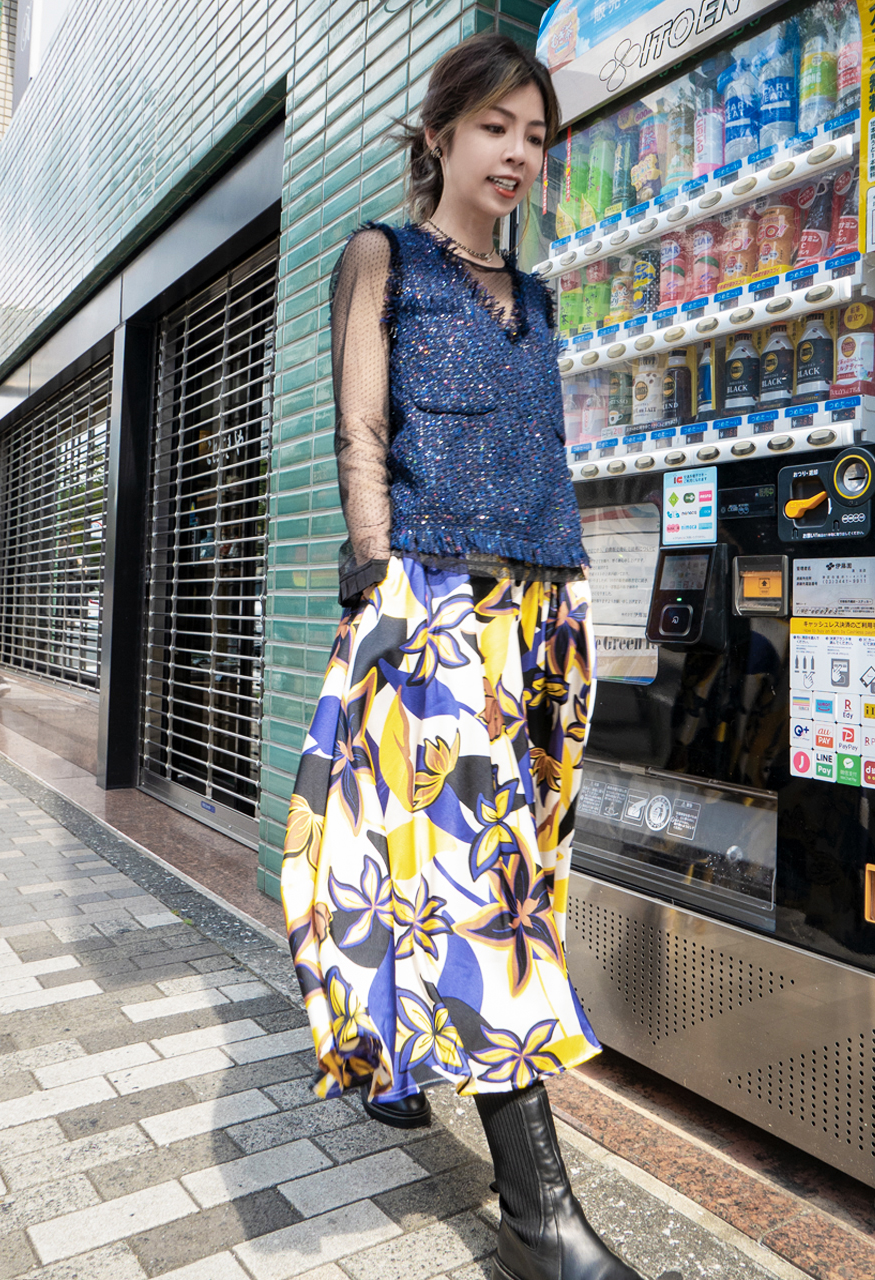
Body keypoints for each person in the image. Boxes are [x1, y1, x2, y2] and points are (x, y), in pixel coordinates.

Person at [281, 32, 683, 1280]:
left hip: (546, 610)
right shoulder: (383, 258)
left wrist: (574, 605)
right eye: (497, 126)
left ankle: (399, 1054)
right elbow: (360, 428)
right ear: (441, 132)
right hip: (437, 599)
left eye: (537, 136)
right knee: (484, 883)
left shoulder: (542, 298)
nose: (519, 153)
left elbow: (539, 455)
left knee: (515, 875)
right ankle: (536, 1214)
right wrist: (378, 579)